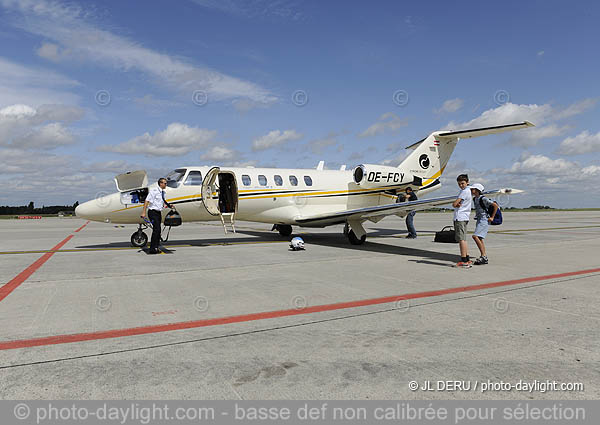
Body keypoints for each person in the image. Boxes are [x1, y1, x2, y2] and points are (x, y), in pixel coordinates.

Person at [141, 178, 173, 254]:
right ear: (160, 184)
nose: (166, 185)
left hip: (158, 213)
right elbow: (147, 201)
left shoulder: (163, 193)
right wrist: (143, 212)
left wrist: (169, 206)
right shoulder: (154, 191)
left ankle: (156, 246)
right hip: (152, 212)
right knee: (157, 230)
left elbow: (161, 203)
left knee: (158, 230)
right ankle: (152, 248)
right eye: (165, 183)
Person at [470, 183, 498, 265]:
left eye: (473, 189)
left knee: (475, 236)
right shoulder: (475, 199)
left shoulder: (483, 199)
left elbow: (495, 206)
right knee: (480, 238)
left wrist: (492, 217)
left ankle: (484, 256)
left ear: (477, 190)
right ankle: (483, 256)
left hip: (484, 220)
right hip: (479, 220)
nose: (471, 190)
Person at [452, 174, 472, 268]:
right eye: (459, 184)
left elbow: (455, 203)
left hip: (460, 217)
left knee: (461, 239)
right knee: (463, 238)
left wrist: (455, 204)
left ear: (467, 182)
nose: (461, 185)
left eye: (462, 183)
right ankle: (467, 258)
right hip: (465, 217)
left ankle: (464, 260)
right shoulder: (468, 191)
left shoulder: (464, 191)